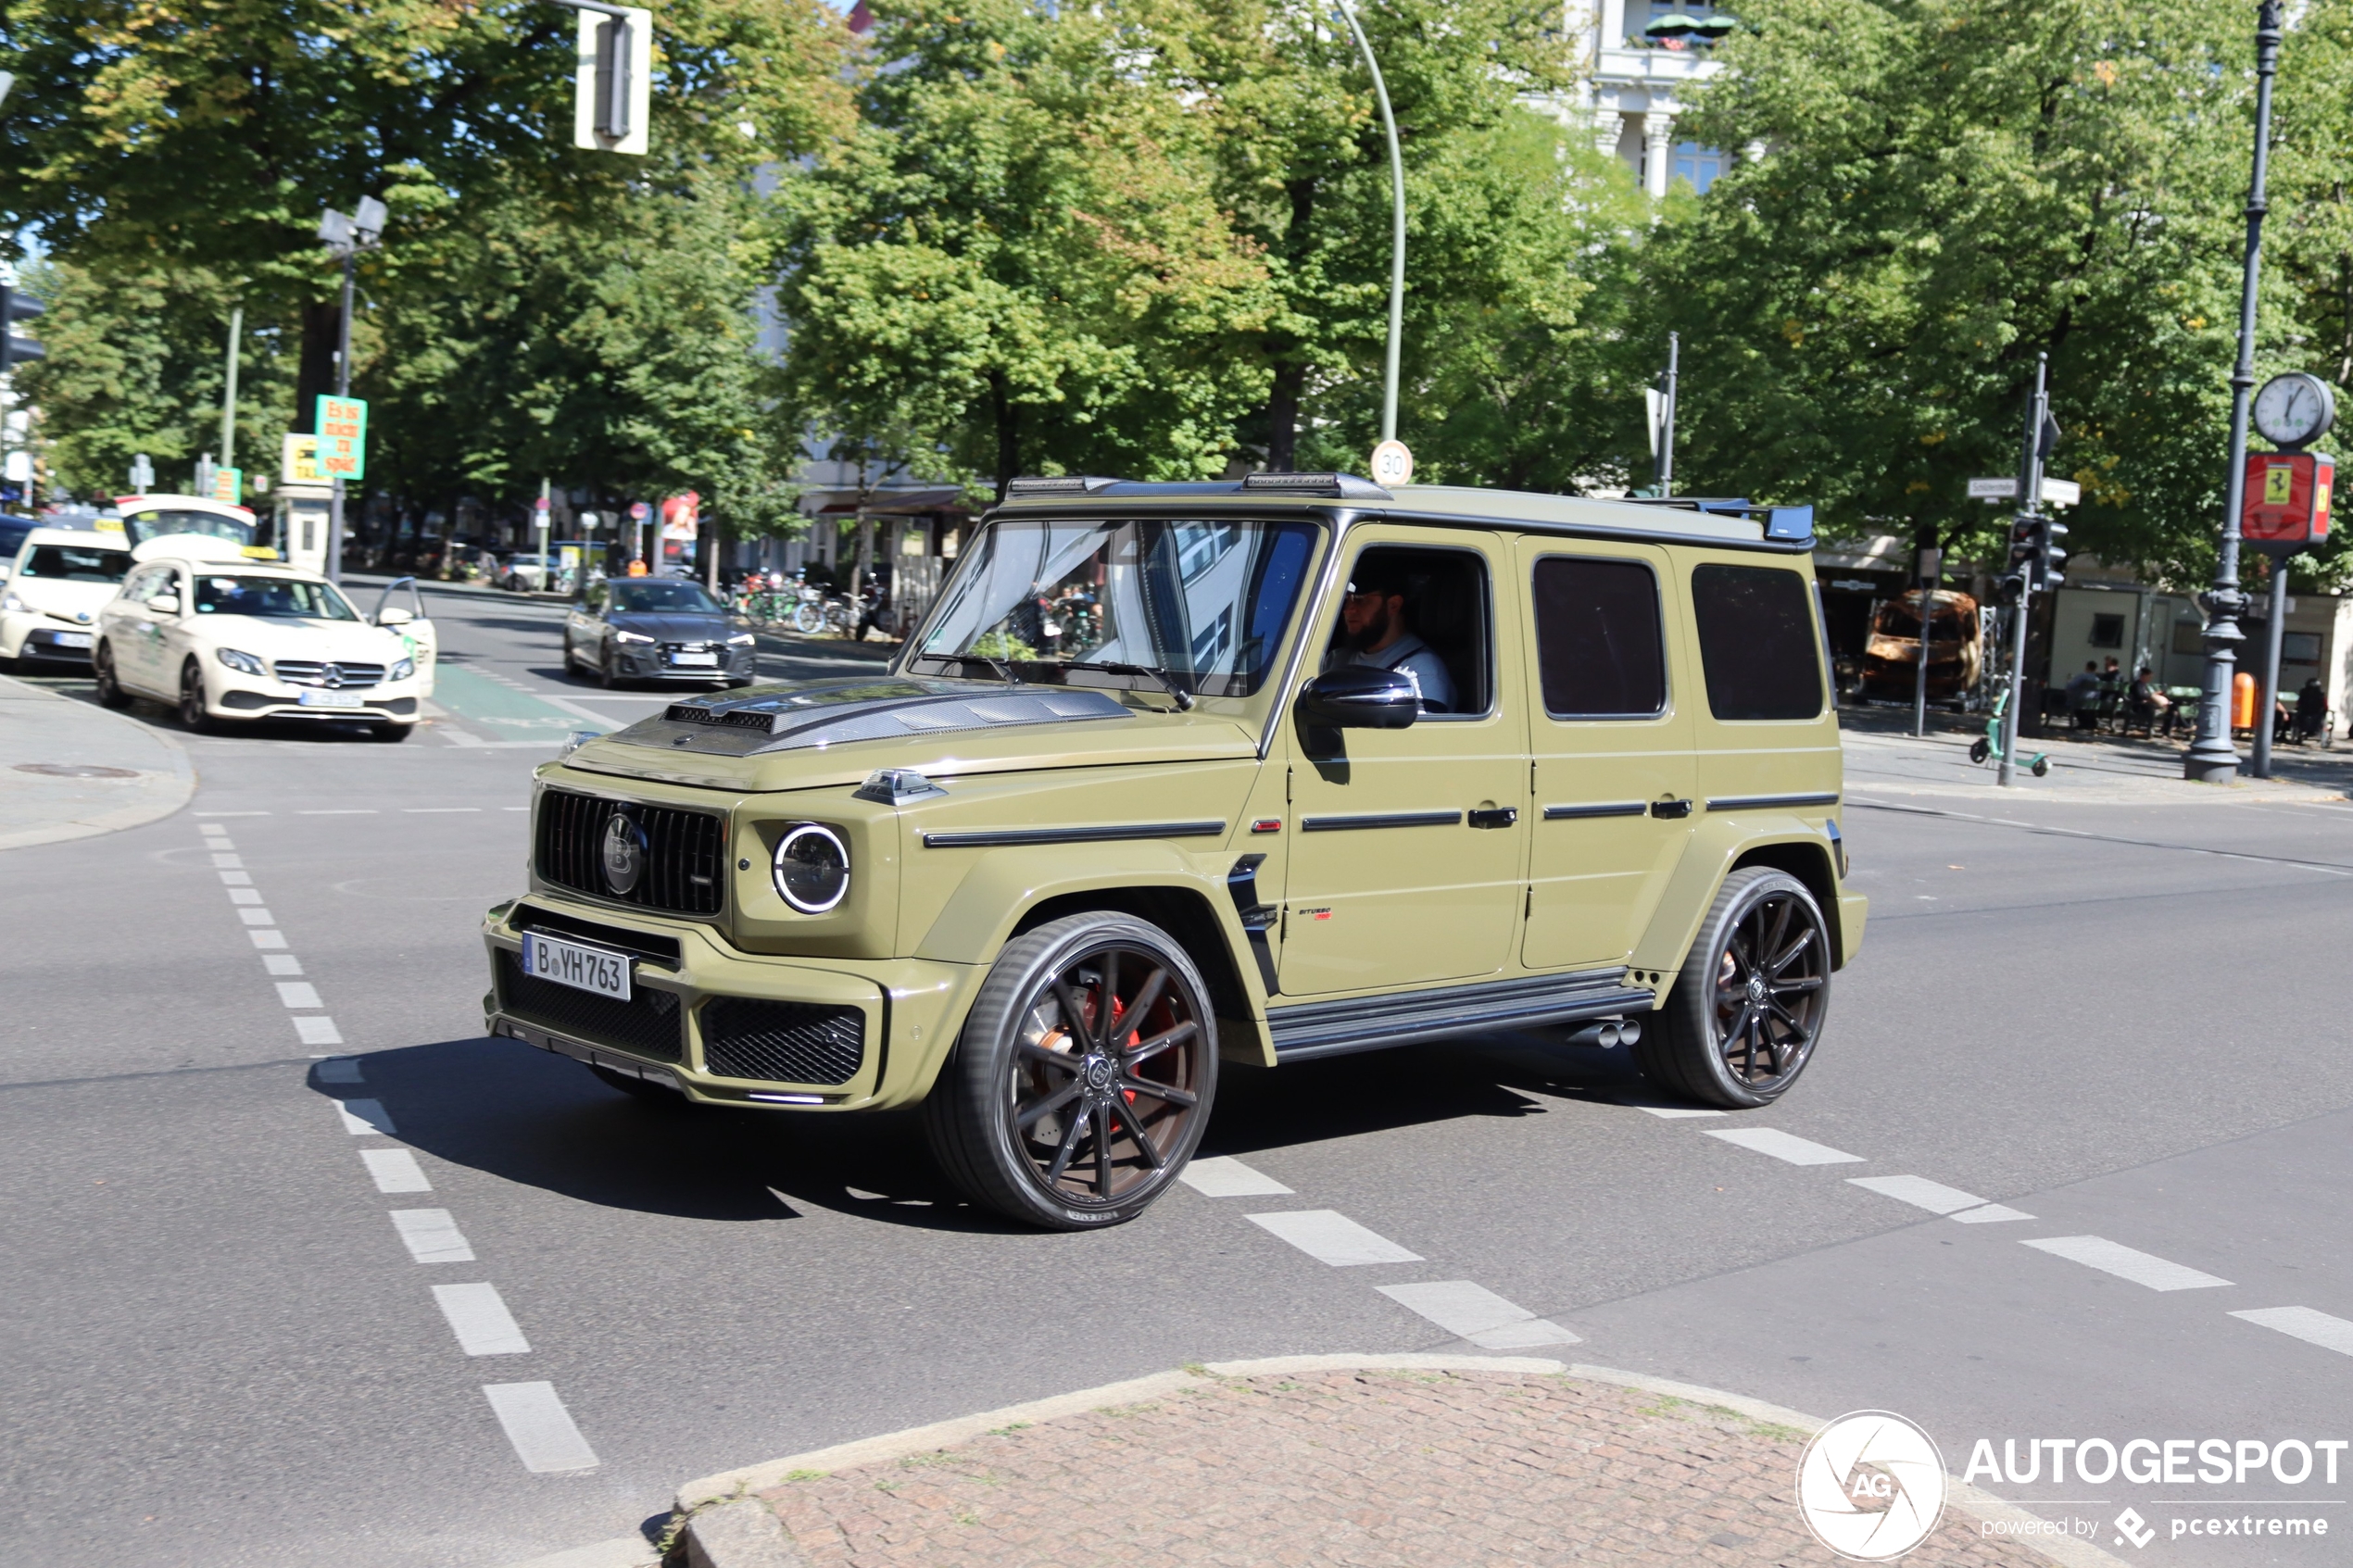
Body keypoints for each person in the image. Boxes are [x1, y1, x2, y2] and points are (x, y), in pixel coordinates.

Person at [1326, 559, 1455, 712]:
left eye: (1360, 600)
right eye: (1347, 600)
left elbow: (1423, 735)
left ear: (1393, 605)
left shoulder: (1422, 671)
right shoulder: (1335, 660)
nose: (1349, 610)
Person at [2065, 660, 2101, 731]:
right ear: (2095, 669)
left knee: (2074, 703)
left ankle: (2083, 723)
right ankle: (2089, 723)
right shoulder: (2097, 679)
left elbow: (2071, 686)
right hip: (2092, 702)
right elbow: (2098, 694)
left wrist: (2068, 685)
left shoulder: (2082, 676)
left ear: (2087, 667)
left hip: (2080, 701)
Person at [2297, 675, 2328, 743]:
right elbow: (2325, 704)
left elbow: (2299, 703)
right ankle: (2314, 731)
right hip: (2317, 713)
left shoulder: (2303, 692)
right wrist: (2325, 710)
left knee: (2301, 719)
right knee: (2318, 719)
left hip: (2304, 712)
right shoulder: (2321, 693)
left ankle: (2302, 731)